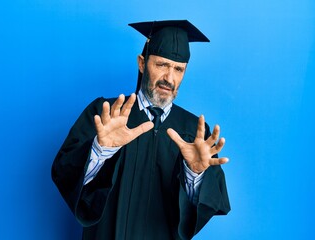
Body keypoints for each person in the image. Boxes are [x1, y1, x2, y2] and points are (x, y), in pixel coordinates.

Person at [52, 20, 230, 240]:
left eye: (178, 69)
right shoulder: (106, 114)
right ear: (142, 63)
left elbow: (200, 209)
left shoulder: (195, 132)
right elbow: (65, 172)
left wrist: (194, 174)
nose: (169, 78)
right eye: (162, 65)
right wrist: (99, 151)